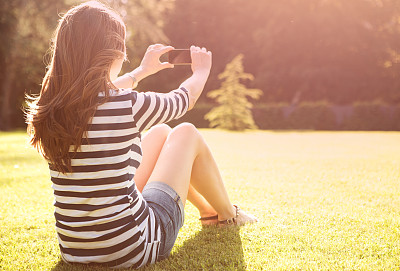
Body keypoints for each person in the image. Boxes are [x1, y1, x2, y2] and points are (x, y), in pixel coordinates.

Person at [25, 1, 257, 269]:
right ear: (113, 52)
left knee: (159, 133)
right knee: (185, 133)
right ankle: (228, 214)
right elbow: (184, 99)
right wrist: (202, 70)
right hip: (134, 247)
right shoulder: (126, 105)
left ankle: (208, 211)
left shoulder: (51, 107)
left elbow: (100, 94)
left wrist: (141, 72)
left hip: (75, 249)